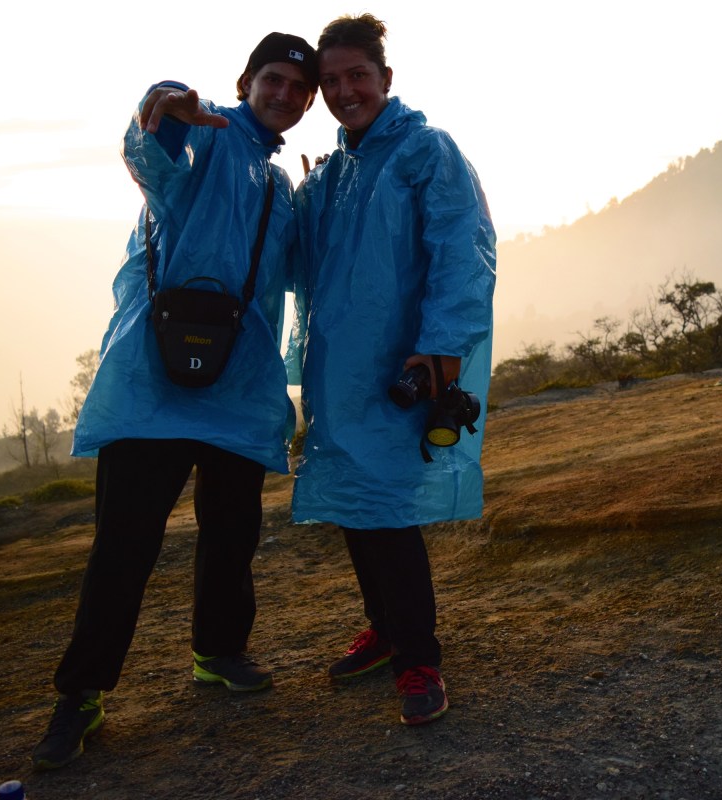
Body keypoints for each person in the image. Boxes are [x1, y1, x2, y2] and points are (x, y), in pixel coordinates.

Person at [31, 33, 317, 770]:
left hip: (236, 387)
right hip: (153, 384)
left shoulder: (279, 185)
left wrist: (318, 202)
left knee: (232, 533)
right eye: (273, 80)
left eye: (298, 88)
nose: (284, 95)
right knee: (124, 544)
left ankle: (218, 652)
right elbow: (152, 157)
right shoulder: (208, 136)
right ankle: (80, 695)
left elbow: (295, 274)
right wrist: (161, 107)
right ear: (246, 82)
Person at [289, 13, 496, 727]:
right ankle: (383, 629)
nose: (346, 91)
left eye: (358, 76)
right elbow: (299, 262)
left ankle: (418, 658)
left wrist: (440, 351)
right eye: (332, 81)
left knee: (387, 511)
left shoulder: (424, 151)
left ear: (385, 78)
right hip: (339, 374)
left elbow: (463, 251)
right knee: (356, 504)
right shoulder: (334, 174)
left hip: (403, 366)